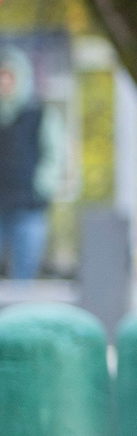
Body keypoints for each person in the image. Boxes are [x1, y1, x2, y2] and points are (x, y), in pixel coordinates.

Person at [0, 45, 64, 279]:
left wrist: (43, 186)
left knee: (23, 274)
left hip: (29, 204)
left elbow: (54, 155)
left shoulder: (39, 114)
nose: (5, 84)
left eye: (10, 78)